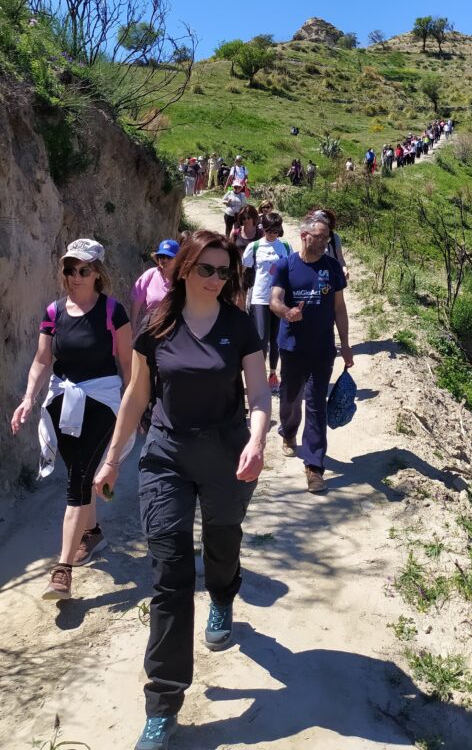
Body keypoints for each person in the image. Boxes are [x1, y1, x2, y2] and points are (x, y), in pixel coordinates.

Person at [94, 231, 271, 750]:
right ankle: (163, 706)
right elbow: (136, 394)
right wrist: (112, 459)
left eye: (225, 272)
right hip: (166, 456)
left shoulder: (239, 326)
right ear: (185, 269)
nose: (217, 280)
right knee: (169, 578)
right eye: (207, 270)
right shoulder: (158, 324)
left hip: (227, 456)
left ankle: (221, 595)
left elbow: (258, 391)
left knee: (221, 544)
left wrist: (258, 438)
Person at [11, 238, 132, 600]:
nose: (74, 276)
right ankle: (92, 535)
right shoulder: (53, 312)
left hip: (102, 401)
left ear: (98, 274)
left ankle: (61, 570)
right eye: (69, 269)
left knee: (78, 479)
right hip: (62, 400)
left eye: (83, 270)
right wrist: (28, 399)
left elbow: (128, 364)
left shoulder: (113, 312)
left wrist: (135, 407)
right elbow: (41, 360)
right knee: (81, 475)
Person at [270, 211, 353, 495]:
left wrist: (346, 344)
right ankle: (289, 432)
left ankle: (314, 466)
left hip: (322, 349)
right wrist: (286, 312)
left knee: (316, 402)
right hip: (292, 346)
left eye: (327, 237)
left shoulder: (331, 268)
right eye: (319, 237)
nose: (324, 242)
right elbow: (274, 300)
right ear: (304, 235)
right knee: (290, 397)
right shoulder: (285, 266)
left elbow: (339, 309)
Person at [243, 212, 292, 394]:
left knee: (276, 338)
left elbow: (292, 270)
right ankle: (257, 377)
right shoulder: (254, 247)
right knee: (261, 338)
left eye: (277, 230)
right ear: (263, 228)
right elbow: (245, 270)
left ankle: (273, 375)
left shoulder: (285, 247)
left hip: (278, 298)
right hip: (260, 297)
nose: (273, 234)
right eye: (270, 230)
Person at [130, 239, 180, 333]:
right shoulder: (151, 274)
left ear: (178, 259)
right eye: (161, 256)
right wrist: (132, 326)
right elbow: (137, 300)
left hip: (175, 332)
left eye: (169, 257)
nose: (164, 260)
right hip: (150, 329)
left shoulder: (182, 281)